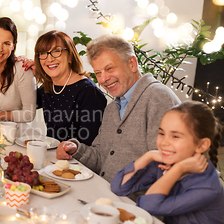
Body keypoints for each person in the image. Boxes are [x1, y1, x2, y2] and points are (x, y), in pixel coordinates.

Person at [111, 101, 224, 224]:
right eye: (161, 133)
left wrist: (178, 169)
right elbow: (119, 187)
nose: (164, 142)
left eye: (176, 136)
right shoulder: (164, 162)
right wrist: (148, 155)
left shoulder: (208, 188)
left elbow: (148, 206)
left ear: (201, 145)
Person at [56, 34, 180, 182]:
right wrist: (76, 149)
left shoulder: (158, 98)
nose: (103, 79)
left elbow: (168, 167)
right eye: (98, 73)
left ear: (132, 64)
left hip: (135, 202)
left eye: (109, 68)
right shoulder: (112, 109)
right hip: (107, 195)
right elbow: (101, 159)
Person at [33, 31, 106, 145]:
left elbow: (91, 144)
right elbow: (21, 104)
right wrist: (26, 73)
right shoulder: (48, 87)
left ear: (70, 56)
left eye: (56, 51)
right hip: (53, 156)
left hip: (76, 161)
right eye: (43, 53)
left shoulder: (88, 92)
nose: (49, 59)